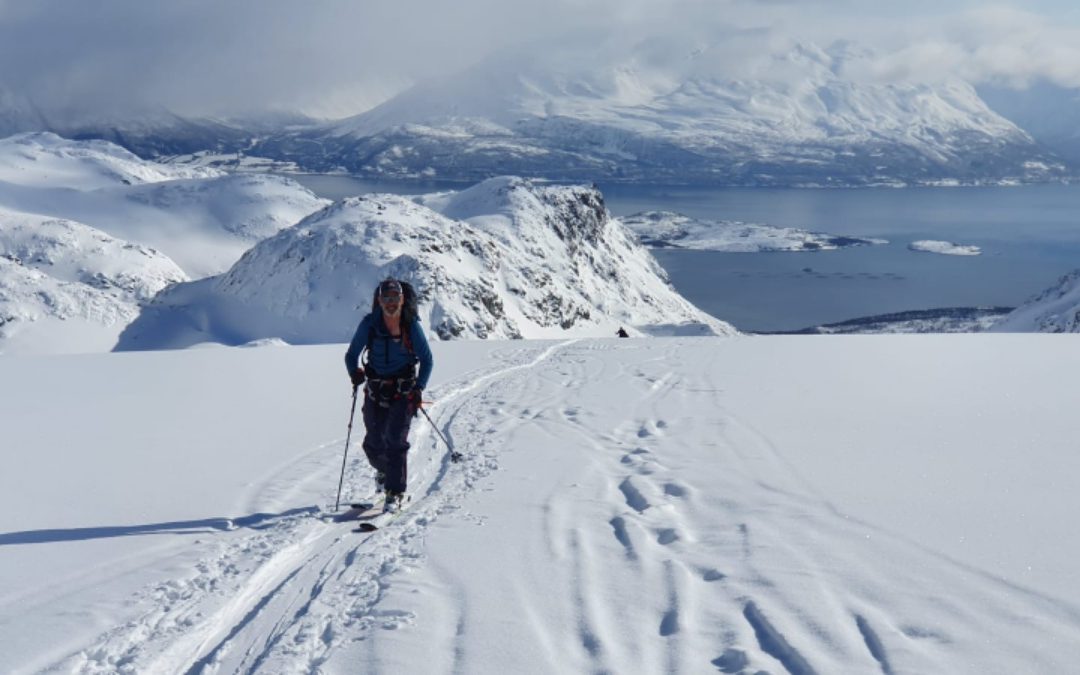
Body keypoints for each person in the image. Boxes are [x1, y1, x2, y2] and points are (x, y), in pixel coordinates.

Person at [344, 279, 434, 513]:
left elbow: (427, 359)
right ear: (379, 301)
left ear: (403, 300)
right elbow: (351, 354)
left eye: (395, 298)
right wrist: (354, 372)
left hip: (403, 392)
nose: (391, 303)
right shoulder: (370, 324)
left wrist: (419, 387)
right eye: (387, 298)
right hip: (375, 390)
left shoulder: (410, 325)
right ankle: (384, 472)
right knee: (373, 443)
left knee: (395, 439)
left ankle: (395, 493)